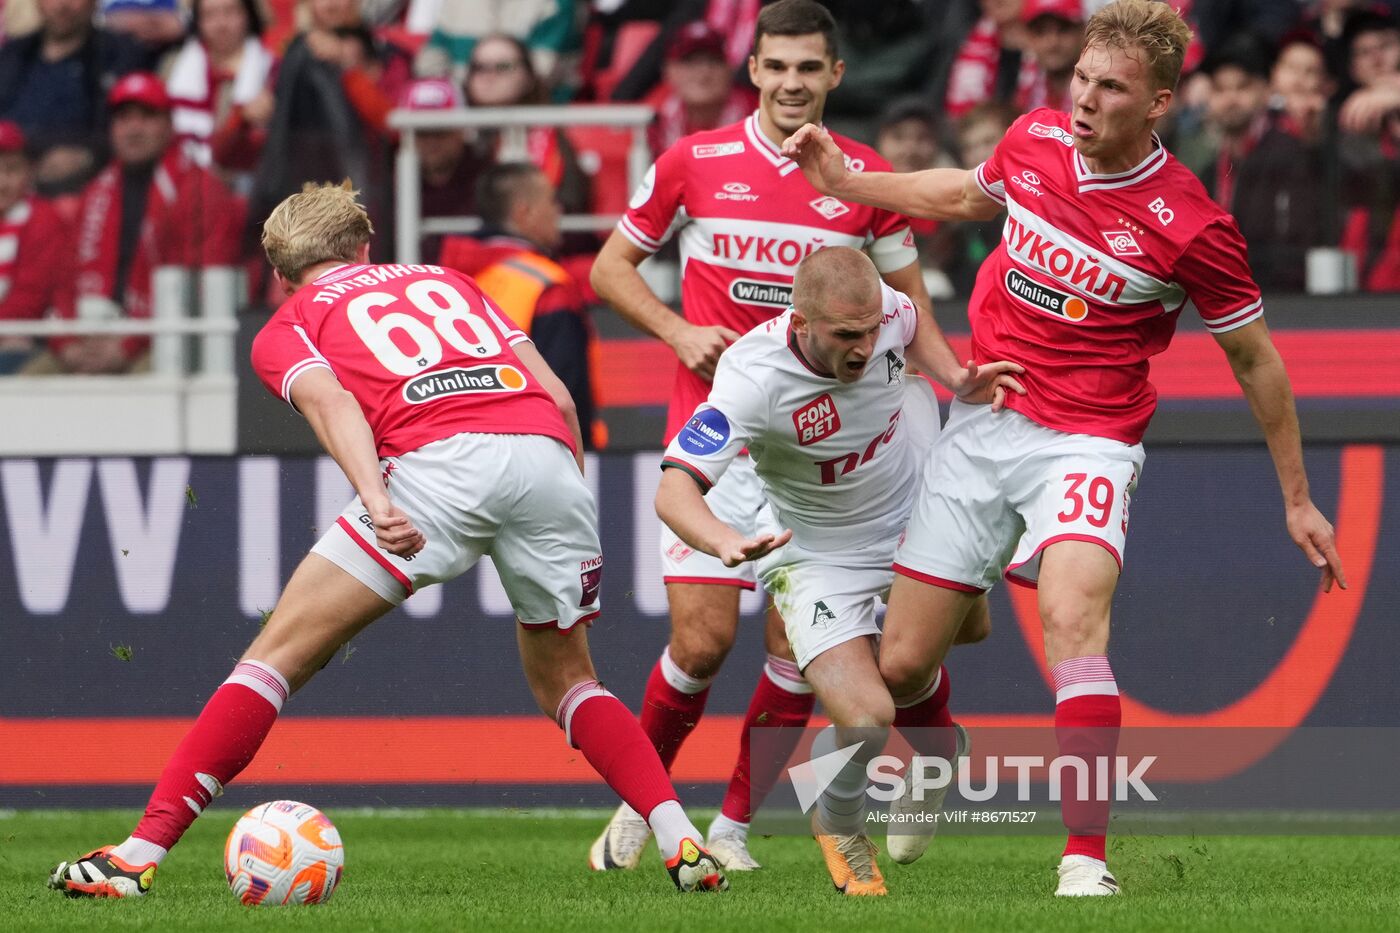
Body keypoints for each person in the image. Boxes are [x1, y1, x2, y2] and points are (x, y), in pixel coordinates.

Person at [783, 0, 1346, 897]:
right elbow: (963, 193)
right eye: (1081, 77)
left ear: (1158, 102)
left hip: (1088, 440)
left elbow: (1258, 360)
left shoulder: (1192, 224)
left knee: (1074, 621)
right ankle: (936, 752)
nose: (1083, 100)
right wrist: (851, 184)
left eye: (1110, 87)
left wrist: (1297, 496)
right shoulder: (1037, 136)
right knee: (899, 666)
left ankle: (1084, 861)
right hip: (985, 422)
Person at [47, 180, 728, 899]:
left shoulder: (290, 321)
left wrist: (376, 498)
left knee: (274, 658)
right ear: (365, 245)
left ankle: (136, 853)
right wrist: (561, 495)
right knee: (571, 680)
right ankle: (678, 832)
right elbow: (557, 394)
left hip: (435, 468)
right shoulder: (449, 280)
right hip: (545, 458)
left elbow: (332, 401)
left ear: (280, 274)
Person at [588, 0, 978, 874]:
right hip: (722, 438)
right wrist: (676, 331)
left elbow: (906, 312)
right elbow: (609, 269)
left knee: (802, 653)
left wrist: (951, 394)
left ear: (835, 75)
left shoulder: (863, 177)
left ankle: (730, 825)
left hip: (823, 451)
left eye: (811, 68)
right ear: (753, 71)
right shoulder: (695, 162)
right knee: (700, 642)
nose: (793, 83)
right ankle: (639, 801)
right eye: (778, 67)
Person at [657, 247, 1019, 895]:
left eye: (872, 328)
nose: (865, 345)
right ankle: (840, 816)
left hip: (917, 510)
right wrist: (723, 540)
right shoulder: (750, 375)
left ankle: (936, 755)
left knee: (960, 638)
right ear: (800, 323)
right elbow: (673, 489)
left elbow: (913, 323)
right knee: (866, 717)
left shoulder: (888, 312)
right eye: (847, 335)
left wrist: (954, 376)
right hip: (817, 552)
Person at [24, 72, 243, 375]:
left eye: (147, 116)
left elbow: (197, 287)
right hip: (87, 338)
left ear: (169, 125)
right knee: (27, 381)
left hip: (164, 342)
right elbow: (65, 279)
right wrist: (67, 344)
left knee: (149, 382)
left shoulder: (201, 191)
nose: (133, 128)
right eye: (124, 118)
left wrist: (129, 344)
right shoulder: (95, 192)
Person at [439, 161, 604, 448]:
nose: (559, 211)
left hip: (454, 449)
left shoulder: (444, 280)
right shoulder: (547, 285)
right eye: (552, 201)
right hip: (533, 453)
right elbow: (566, 391)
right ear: (523, 213)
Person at [0, 0, 146, 193]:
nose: (62, 5)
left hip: (84, 189)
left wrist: (90, 154)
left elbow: (137, 129)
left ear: (95, 3)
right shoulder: (12, 55)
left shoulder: (120, 56)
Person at [164, 0, 275, 186]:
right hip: (180, 179)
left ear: (248, 15)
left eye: (230, 12)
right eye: (210, 15)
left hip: (247, 181)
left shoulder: (271, 69)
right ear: (197, 21)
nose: (221, 24)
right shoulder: (172, 65)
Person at [0, 120, 72, 372]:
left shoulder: (44, 218)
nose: (2, 182)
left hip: (27, 338)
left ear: (29, 172)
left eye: (11, 170)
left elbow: (30, 299)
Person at [647, 20, 757, 159]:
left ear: (730, 68)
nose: (703, 73)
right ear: (668, 71)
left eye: (714, 61)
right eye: (689, 62)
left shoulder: (760, 117)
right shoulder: (651, 121)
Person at [1019, 0, 1084, 113]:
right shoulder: (1019, 84)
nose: (1052, 43)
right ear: (1028, 38)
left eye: (1063, 29)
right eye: (1041, 31)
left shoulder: (1100, 89)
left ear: (1082, 31)